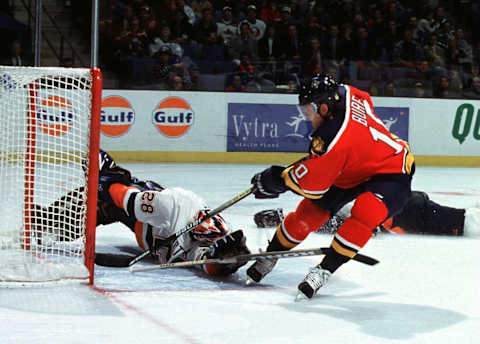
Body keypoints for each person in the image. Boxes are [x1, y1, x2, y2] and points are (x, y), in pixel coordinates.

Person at [246, 75, 415, 299]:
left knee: (367, 212)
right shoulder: (346, 92)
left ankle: (324, 270)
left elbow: (312, 185)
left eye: (308, 110)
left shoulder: (335, 140)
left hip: (392, 170)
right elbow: (363, 105)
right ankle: (272, 253)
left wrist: (278, 180)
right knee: (309, 214)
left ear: (324, 108)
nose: (306, 116)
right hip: (354, 166)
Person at [34, 150, 250, 277]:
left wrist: (222, 264)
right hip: (136, 208)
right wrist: (101, 185)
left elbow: (205, 263)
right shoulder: (170, 205)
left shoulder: (198, 240)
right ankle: (48, 223)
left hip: (143, 221)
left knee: (102, 197)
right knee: (96, 199)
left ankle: (52, 224)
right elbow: (125, 198)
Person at [254, 191, 480, 237]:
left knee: (465, 222)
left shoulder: (339, 206)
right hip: (407, 209)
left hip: (407, 211)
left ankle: (280, 215)